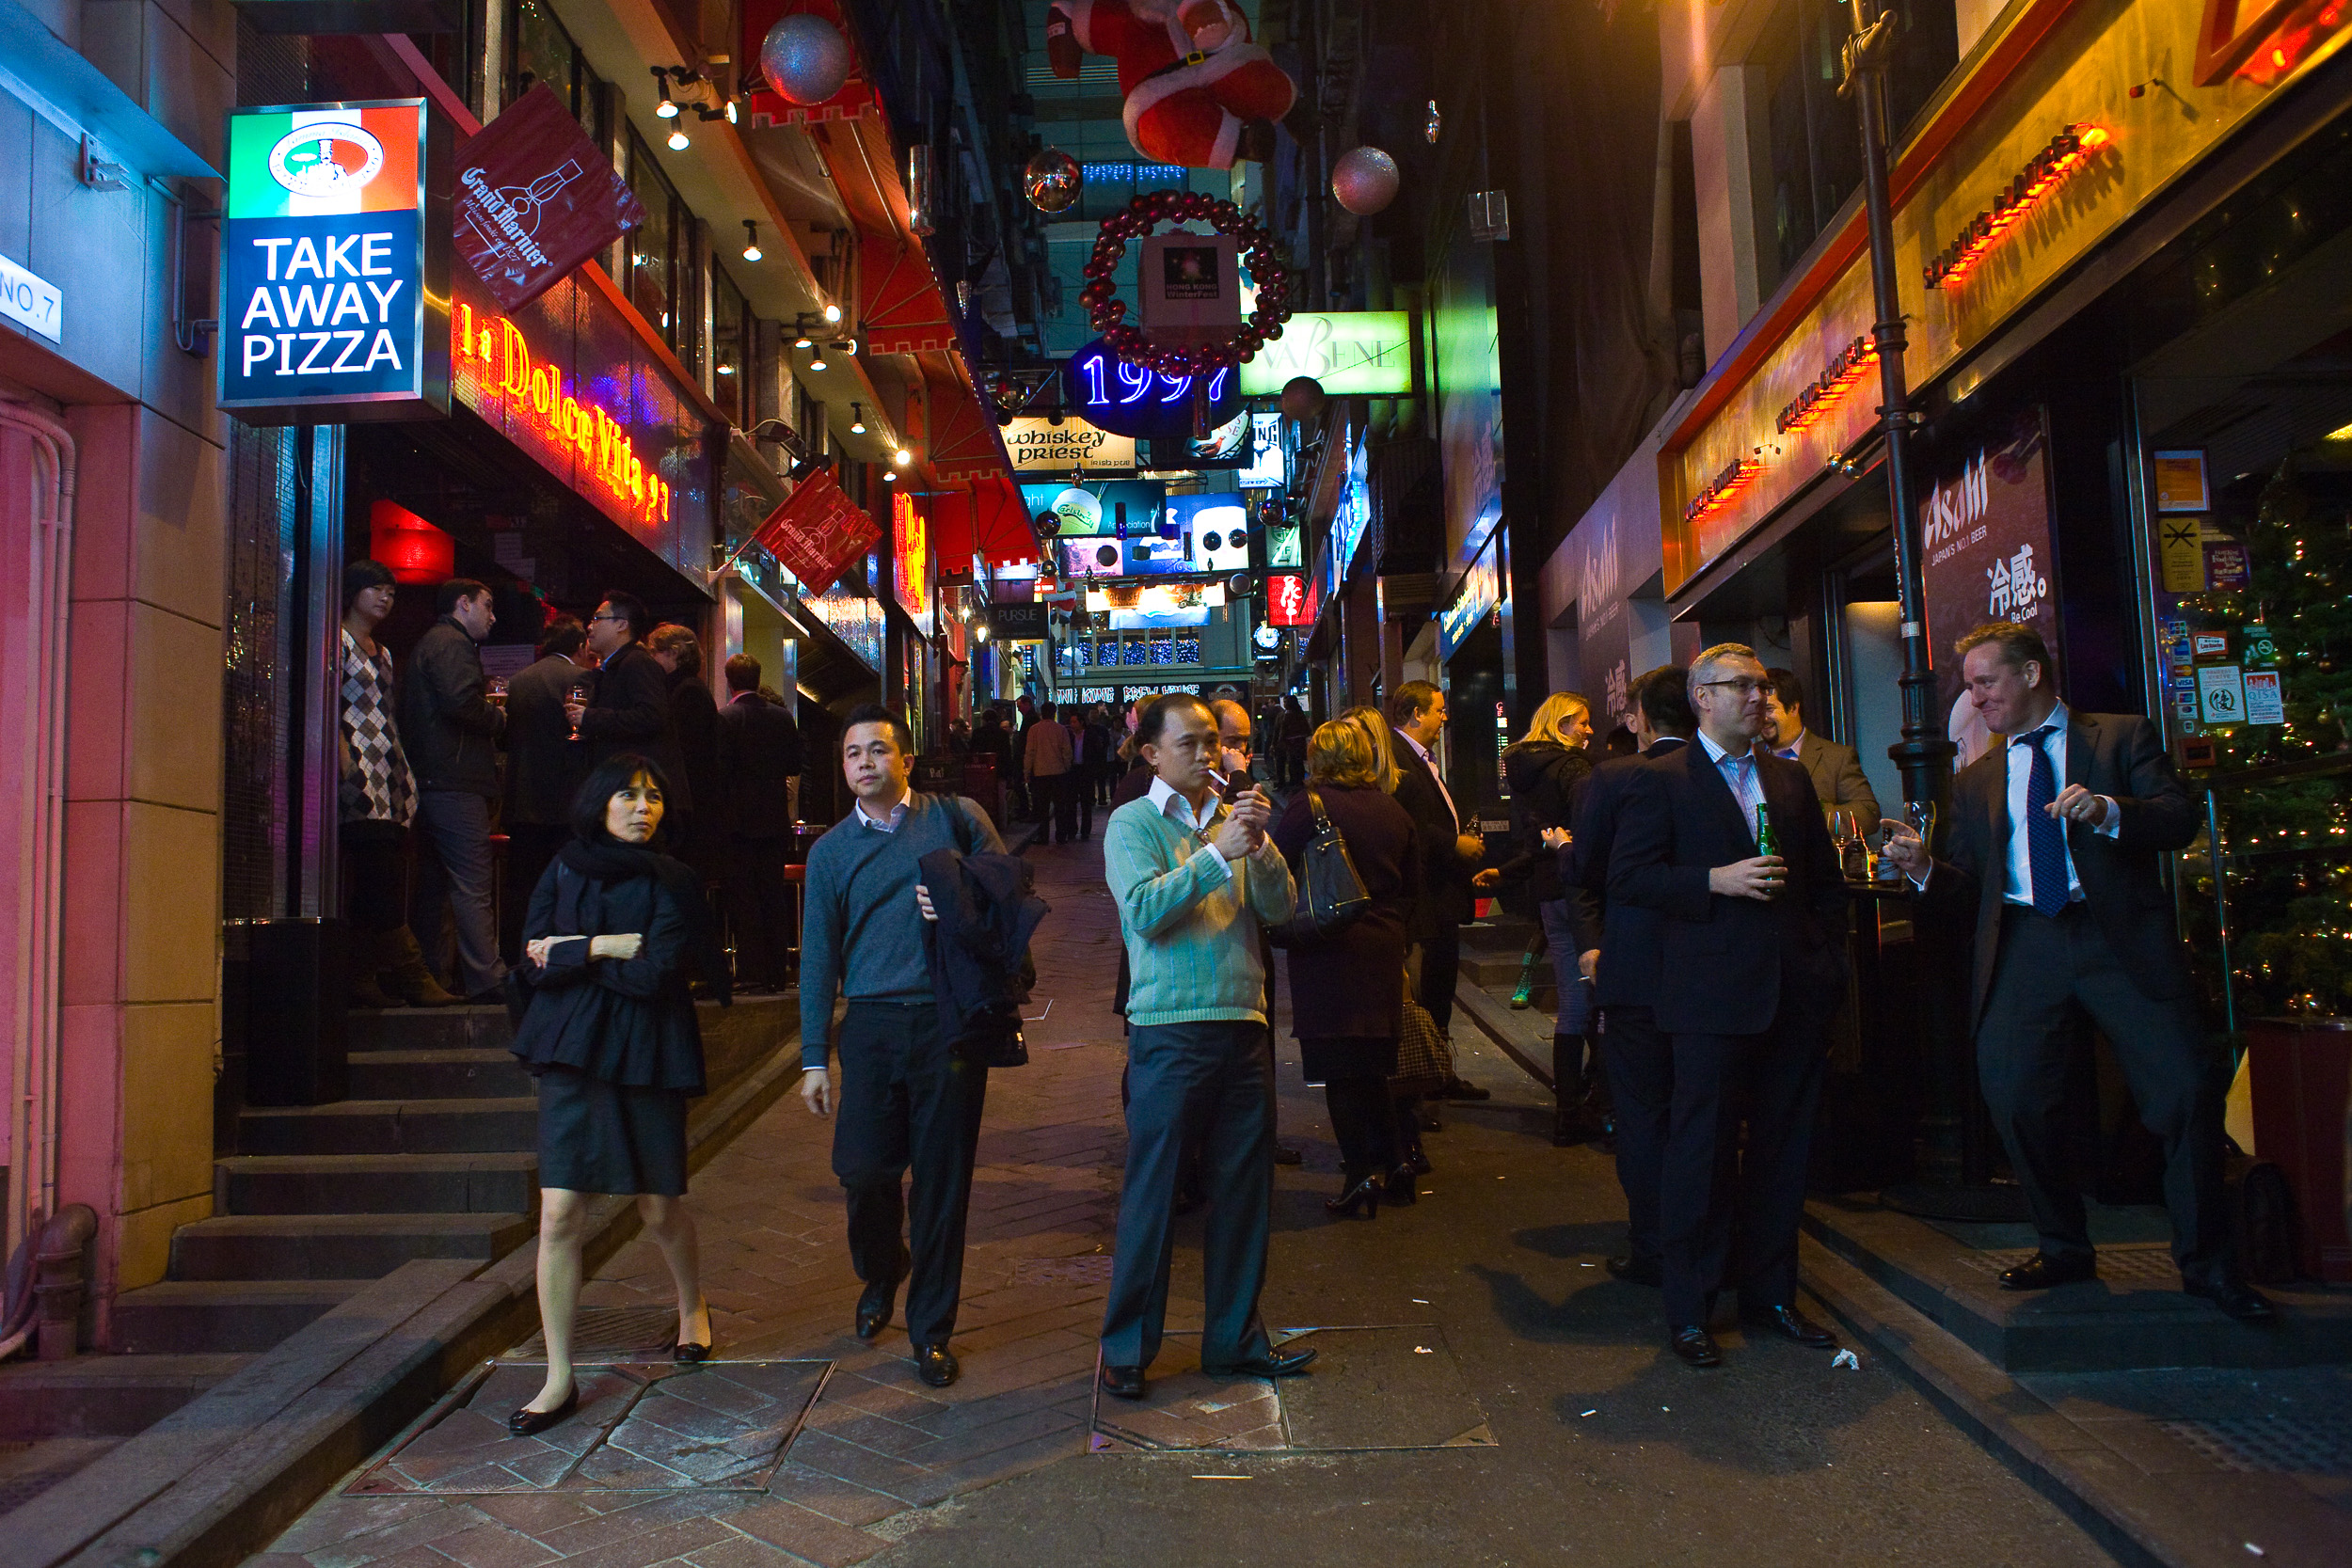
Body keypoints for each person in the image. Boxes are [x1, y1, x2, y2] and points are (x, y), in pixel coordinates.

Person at [1878, 621, 2271, 1321]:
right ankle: (2064, 1246)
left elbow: (2179, 819)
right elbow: (1970, 887)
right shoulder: (1974, 781)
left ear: (2030, 674)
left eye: (1984, 681)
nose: (1975, 698)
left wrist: (2110, 809)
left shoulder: (2120, 736)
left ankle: (2209, 1265)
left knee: (2183, 1092)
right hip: (2026, 941)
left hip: (2116, 939)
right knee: (2015, 1095)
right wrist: (1923, 868)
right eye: (1969, 686)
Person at [1608, 643, 1849, 1368]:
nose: (1760, 699)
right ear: (1702, 696)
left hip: (1790, 995)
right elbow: (1630, 877)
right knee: (1700, 1156)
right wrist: (1713, 879)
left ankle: (1772, 1295)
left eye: (1765, 686)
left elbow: (1824, 884)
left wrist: (1824, 964)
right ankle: (1691, 1306)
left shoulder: (1790, 778)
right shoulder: (1663, 780)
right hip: (1707, 998)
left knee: (1782, 1153)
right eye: (1743, 686)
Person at [1098, 695, 1308, 1402]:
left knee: (1244, 1193)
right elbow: (1148, 912)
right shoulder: (1132, 824)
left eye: (1212, 742)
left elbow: (1281, 908)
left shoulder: (1231, 820)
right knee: (1154, 1194)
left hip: (1242, 1022)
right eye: (1189, 743)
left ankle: (1235, 1340)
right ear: (1151, 753)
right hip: (1169, 1030)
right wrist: (1220, 855)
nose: (1206, 755)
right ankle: (1126, 1349)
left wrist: (1263, 844)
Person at [504, 752, 717, 1435]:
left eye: (653, 796)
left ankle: (692, 1304)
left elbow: (657, 973)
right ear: (599, 802)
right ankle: (559, 1374)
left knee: (658, 1206)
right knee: (560, 1210)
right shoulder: (563, 867)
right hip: (570, 1052)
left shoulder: (675, 881)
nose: (641, 806)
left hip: (649, 1051)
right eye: (627, 794)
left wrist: (571, 954)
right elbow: (530, 960)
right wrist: (602, 945)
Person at [798, 705, 1007, 1388]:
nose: (865, 763)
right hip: (870, 1026)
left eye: (878, 750)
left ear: (906, 760)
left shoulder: (952, 818)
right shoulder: (829, 851)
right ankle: (882, 1266)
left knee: (942, 1183)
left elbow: (1012, 892)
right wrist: (810, 1055)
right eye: (853, 753)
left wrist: (958, 902)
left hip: (945, 1021)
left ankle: (932, 1330)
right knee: (862, 1172)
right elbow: (819, 958)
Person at [1567, 665, 1693, 1287]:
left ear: (1642, 716)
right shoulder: (1726, 773)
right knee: (1699, 1113)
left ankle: (1654, 1246)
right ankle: (1697, 1244)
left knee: (1643, 1113)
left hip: (1636, 967)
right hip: (1708, 972)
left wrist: (1593, 945)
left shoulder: (1615, 777)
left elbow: (1586, 870)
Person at [1272, 713, 1420, 1216]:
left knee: (1338, 1071)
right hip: (1382, 946)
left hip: (1328, 949)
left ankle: (1360, 1175)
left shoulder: (1308, 806)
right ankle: (1397, 1161)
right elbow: (1410, 884)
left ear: (1318, 758)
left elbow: (1275, 866)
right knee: (1374, 1067)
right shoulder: (1392, 810)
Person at [337, 560, 454, 1008]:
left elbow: (387, 714)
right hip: (357, 771)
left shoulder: (382, 652)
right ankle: (408, 973)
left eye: (391, 591)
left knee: (378, 876)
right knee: (378, 872)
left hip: (388, 770)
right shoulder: (337, 642)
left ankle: (364, 976)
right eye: (376, 589)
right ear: (353, 592)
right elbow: (326, 701)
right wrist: (341, 755)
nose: (385, 597)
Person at [399, 577, 509, 1002]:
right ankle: (488, 978)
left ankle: (433, 975)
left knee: (435, 883)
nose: (493, 616)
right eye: (488, 605)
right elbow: (462, 702)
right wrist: (499, 718)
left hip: (431, 779)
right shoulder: (452, 642)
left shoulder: (431, 642)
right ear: (463, 604)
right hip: (455, 779)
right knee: (471, 881)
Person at [1387, 681, 1493, 1101]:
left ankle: (1439, 1073)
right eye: (1438, 710)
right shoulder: (1398, 758)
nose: (1444, 717)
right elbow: (1409, 823)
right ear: (1415, 714)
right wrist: (1453, 843)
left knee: (1441, 986)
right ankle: (1428, 1078)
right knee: (1429, 989)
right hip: (1426, 897)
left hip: (1443, 893)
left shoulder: (1422, 758)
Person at [1500, 692, 1597, 1139]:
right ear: (1561, 726)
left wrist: (1506, 872)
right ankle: (1597, 1102)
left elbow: (1531, 838)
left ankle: (1567, 1111)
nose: (1589, 731)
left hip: (1548, 891)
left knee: (1571, 998)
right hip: (1582, 889)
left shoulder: (1522, 774)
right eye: (1582, 722)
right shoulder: (1574, 769)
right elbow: (1593, 826)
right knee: (1603, 999)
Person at [501, 616, 598, 965]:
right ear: (580, 647)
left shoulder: (518, 681)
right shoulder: (582, 679)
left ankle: (517, 954)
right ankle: (561, 956)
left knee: (521, 885)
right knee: (566, 884)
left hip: (522, 796)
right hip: (567, 796)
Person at [716, 654, 805, 993]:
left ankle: (752, 971)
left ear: (729, 681)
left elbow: (720, 773)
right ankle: (778, 971)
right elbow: (795, 764)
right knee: (772, 895)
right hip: (773, 820)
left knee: (745, 898)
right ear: (757, 678)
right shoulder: (783, 718)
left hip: (738, 824)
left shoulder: (725, 718)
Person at [565, 591, 689, 793]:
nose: (589, 627)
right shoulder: (611, 668)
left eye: (597, 619)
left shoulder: (637, 662)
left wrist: (589, 717)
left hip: (642, 791)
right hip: (625, 786)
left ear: (622, 625)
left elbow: (652, 716)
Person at [1761, 668, 1881, 824]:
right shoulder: (1748, 755)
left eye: (1769, 709)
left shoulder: (1837, 757)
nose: (1762, 718)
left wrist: (1813, 814)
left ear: (1793, 708)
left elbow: (1868, 813)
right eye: (1758, 709)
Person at [646, 625, 719, 879]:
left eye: (654, 652)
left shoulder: (686, 692)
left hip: (690, 808)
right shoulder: (689, 688)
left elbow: (687, 753)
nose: (651, 660)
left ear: (673, 653)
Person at [1025, 699, 1077, 843]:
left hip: (1040, 773)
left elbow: (1030, 752)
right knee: (1060, 806)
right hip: (1059, 772)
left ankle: (1043, 837)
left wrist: (1027, 771)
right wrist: (1067, 767)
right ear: (1054, 713)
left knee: (1042, 808)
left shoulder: (1034, 730)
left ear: (1042, 713)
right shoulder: (1061, 730)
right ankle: (1061, 836)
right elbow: (1067, 752)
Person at [1065, 704, 1096, 842]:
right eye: (1070, 722)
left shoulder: (1090, 735)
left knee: (1086, 804)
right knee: (1071, 803)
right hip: (1072, 771)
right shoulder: (1067, 736)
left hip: (1086, 771)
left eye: (1074, 722)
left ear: (1081, 722)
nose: (1071, 724)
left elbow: (1097, 753)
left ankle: (1085, 831)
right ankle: (1072, 829)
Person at [1083, 705, 1115, 806]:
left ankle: (1102, 798)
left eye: (1095, 713)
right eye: (1091, 714)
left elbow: (1107, 743)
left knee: (1101, 780)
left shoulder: (1103, 729)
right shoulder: (1086, 729)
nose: (1093, 715)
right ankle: (1092, 798)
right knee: (1090, 781)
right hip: (1090, 759)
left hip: (1101, 758)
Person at [1277, 694, 1311, 787]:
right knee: (1298, 764)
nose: (1285, 704)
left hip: (1292, 744)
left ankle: (1295, 784)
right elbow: (1307, 730)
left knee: (1293, 764)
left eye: (1286, 702)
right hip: (1299, 743)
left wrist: (1282, 741)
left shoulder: (1288, 715)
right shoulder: (1300, 713)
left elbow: (1283, 730)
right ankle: (1299, 782)